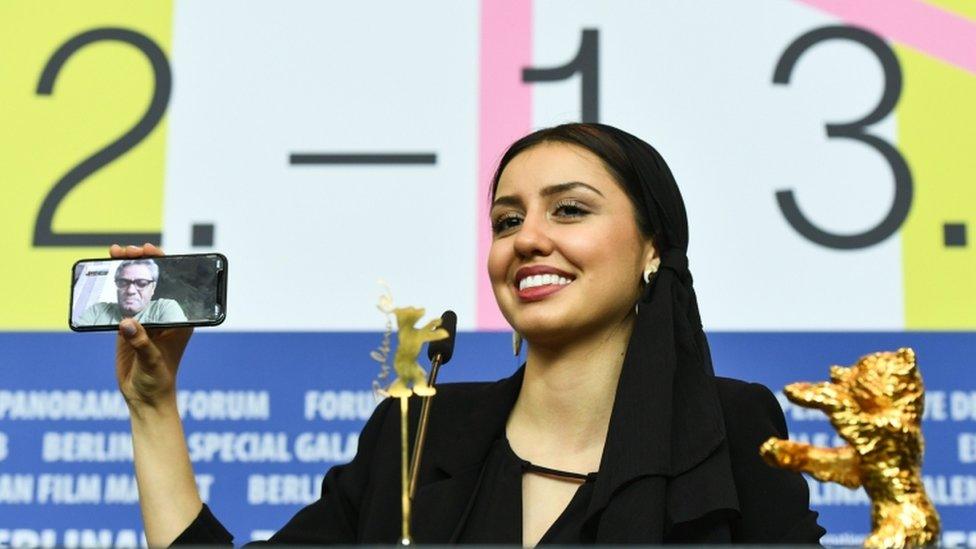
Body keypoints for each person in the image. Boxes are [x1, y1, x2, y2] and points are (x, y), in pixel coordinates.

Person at [112, 123, 825, 545]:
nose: (529, 239)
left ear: (652, 249)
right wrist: (152, 404)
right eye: (507, 220)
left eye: (570, 210)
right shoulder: (416, 433)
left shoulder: (730, 428)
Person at [77, 259, 187, 326]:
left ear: (153, 288)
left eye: (142, 283)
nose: (130, 291)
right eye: (123, 282)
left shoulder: (164, 308)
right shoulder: (97, 311)